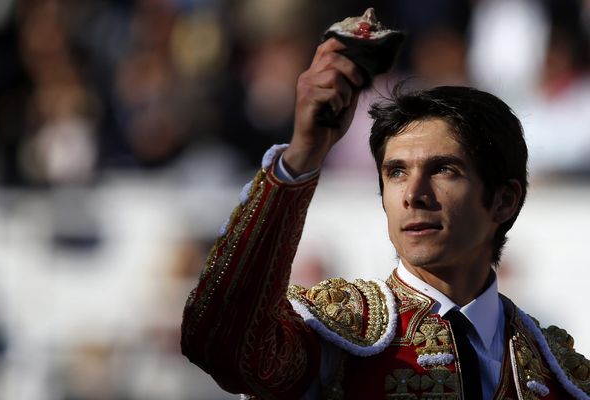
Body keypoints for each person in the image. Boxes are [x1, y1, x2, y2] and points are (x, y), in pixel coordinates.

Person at [181, 38, 590, 399]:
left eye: (443, 170)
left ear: (503, 201)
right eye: (396, 172)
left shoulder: (559, 371)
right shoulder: (335, 333)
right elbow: (219, 343)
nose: (412, 195)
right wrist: (302, 158)